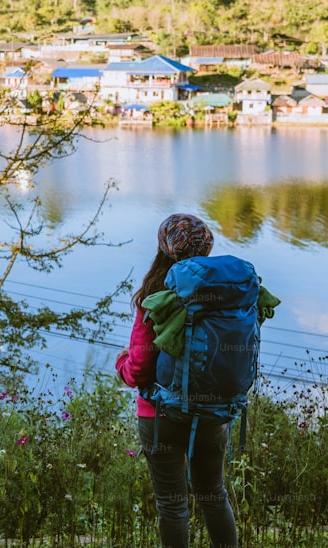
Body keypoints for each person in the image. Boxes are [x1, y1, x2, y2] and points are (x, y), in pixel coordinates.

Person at [116, 213, 238, 548]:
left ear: (164, 247)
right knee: (214, 495)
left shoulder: (156, 293)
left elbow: (139, 368)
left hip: (161, 415)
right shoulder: (227, 293)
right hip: (213, 410)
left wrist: (121, 365)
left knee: (172, 504)